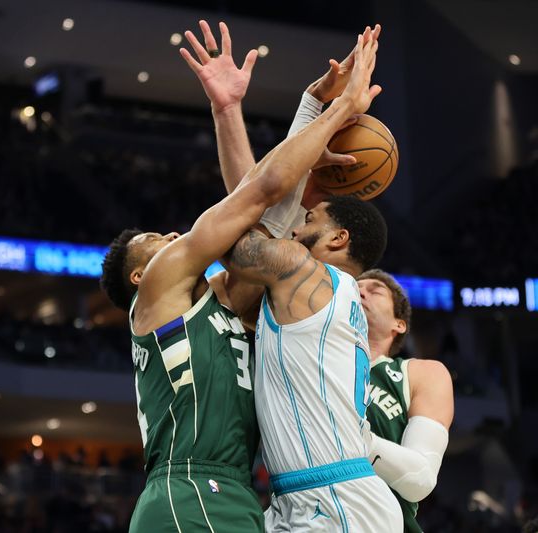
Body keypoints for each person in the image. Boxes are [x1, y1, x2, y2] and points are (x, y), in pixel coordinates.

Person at [100, 22, 381, 533]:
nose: (169, 235)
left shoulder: (223, 302)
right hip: (188, 489)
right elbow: (264, 190)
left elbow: (265, 223)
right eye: (155, 242)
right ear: (141, 276)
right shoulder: (163, 288)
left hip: (236, 494)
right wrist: (339, 109)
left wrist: (241, 110)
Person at [184, 21, 403, 531]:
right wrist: (233, 110)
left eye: (311, 218)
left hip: (338, 500)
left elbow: (243, 223)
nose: (299, 219)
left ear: (337, 240)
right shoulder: (304, 286)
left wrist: (332, 112)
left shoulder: (309, 279)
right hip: (306, 497)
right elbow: (254, 204)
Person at [358, 269, 454, 533]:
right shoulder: (318, 365)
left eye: (374, 290)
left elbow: (419, 479)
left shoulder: (420, 373)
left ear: (399, 324)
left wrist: (352, 439)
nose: (360, 292)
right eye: (354, 288)